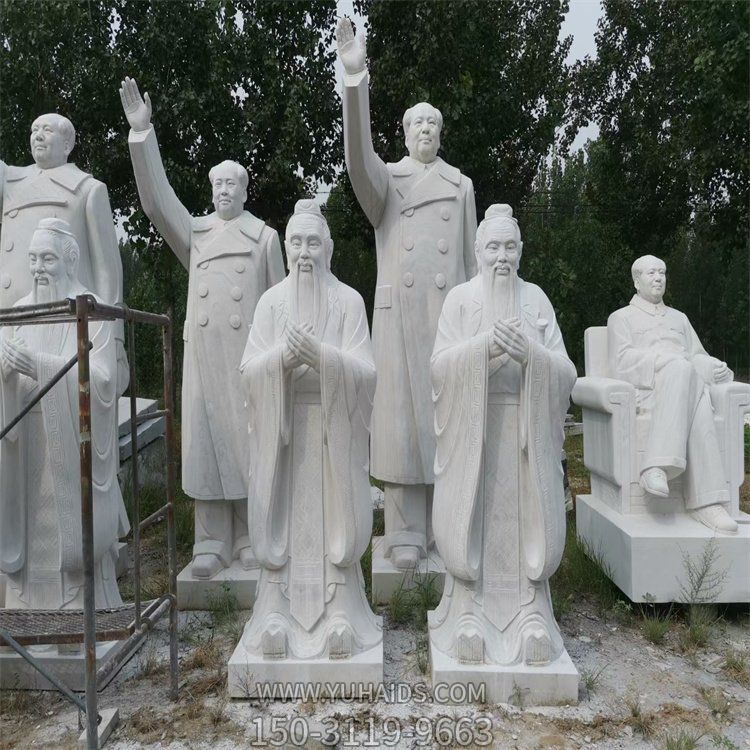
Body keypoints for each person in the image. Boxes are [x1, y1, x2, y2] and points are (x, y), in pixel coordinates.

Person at [120, 77, 286, 579]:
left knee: (248, 443)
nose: (223, 191)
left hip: (247, 359)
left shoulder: (264, 238)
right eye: (217, 185)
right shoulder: (195, 233)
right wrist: (142, 135)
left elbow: (281, 304)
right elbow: (156, 203)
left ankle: (252, 534)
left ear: (245, 190)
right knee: (206, 446)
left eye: (232, 184)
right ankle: (211, 540)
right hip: (204, 359)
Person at [336, 17, 478, 569]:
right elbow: (356, 160)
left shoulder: (460, 186)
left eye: (432, 124)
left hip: (446, 319)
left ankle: (447, 524)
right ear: (403, 133)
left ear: (441, 134)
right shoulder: (387, 182)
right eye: (416, 123)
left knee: (445, 417)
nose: (425, 130)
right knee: (400, 424)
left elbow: (469, 261)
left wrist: (477, 317)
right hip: (398, 319)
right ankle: (403, 531)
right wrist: (355, 80)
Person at [429, 204, 575, 666]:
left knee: (524, 522)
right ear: (477, 251)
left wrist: (531, 354)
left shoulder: (537, 300)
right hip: (474, 434)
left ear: (521, 251)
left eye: (510, 247)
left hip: (525, 435)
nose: (502, 257)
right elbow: (438, 368)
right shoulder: (460, 301)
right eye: (493, 247)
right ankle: (468, 612)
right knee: (474, 517)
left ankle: (531, 614)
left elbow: (566, 372)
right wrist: (484, 349)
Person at [237, 200, 380, 659]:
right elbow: (248, 371)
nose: (304, 253)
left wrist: (321, 357)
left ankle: (340, 611)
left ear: (328, 250)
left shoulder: (349, 302)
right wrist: (282, 358)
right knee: (284, 523)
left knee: (334, 522)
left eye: (313, 243)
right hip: (283, 435)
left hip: (332, 433)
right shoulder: (270, 303)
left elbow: (367, 373)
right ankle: (276, 612)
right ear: (286, 248)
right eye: (296, 242)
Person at [0, 218, 125, 610]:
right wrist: (5, 372)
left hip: (70, 443)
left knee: (69, 532)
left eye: (48, 259)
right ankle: (26, 606)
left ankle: (78, 603)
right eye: (33, 258)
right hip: (26, 444)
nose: (38, 268)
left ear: (70, 261)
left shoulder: (92, 311)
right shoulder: (18, 312)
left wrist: (38, 365)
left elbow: (103, 380)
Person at [607, 254, 737, 533]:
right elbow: (621, 362)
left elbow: (696, 355)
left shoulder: (680, 319)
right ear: (636, 281)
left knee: (691, 381)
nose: (658, 278)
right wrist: (665, 362)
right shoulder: (621, 318)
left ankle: (658, 468)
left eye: (662, 272)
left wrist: (713, 367)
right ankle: (707, 501)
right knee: (687, 380)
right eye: (651, 273)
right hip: (648, 392)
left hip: (685, 387)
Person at [0, 113, 127, 390]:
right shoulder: (9, 182)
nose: (38, 136)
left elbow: (108, 269)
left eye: (47, 130)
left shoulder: (88, 189)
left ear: (68, 143)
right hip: (10, 323)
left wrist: (115, 337)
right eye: (34, 130)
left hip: (64, 326)